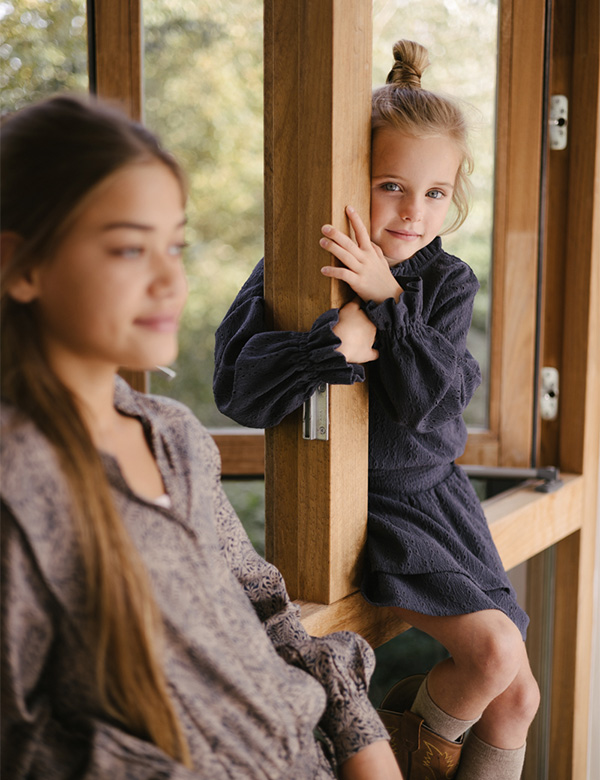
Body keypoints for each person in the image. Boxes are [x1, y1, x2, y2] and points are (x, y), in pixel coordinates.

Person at [0, 95, 403, 780]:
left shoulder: (173, 435)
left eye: (176, 245)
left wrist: (368, 749)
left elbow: (267, 611)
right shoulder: (19, 481)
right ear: (22, 267)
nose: (171, 280)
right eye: (130, 248)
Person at [213, 40, 540, 780]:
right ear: (352, 178)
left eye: (433, 193)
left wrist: (388, 307)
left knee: (518, 699)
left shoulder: (447, 281)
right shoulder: (296, 264)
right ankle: (388, 752)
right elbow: (238, 390)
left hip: (443, 499)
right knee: (492, 656)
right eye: (392, 185)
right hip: (376, 504)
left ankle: (401, 730)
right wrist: (330, 344)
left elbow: (432, 411)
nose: (413, 212)